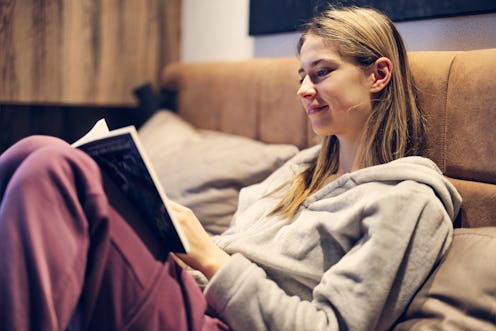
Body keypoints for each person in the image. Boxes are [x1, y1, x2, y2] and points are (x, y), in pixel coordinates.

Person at [0, 5, 461, 331]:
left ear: (378, 75)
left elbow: (330, 326)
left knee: (57, 167)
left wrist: (209, 257)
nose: (304, 89)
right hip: (189, 292)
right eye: (301, 75)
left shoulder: (408, 201)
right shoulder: (297, 172)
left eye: (321, 72)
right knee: (33, 150)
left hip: (222, 321)